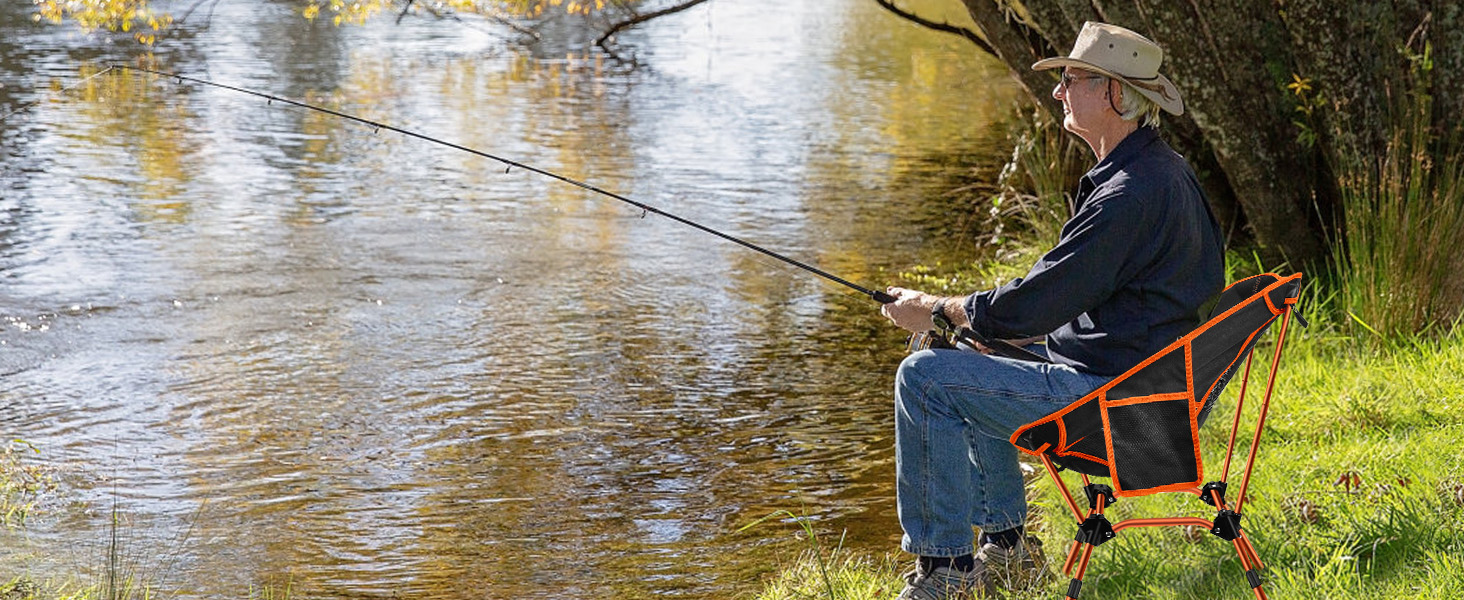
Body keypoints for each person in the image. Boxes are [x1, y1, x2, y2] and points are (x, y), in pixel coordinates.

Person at [879, 22, 1224, 599]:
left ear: (1115, 93)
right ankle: (1010, 550)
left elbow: (1040, 301)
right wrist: (974, 324)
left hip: (1127, 414)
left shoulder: (1129, 194)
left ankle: (945, 574)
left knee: (924, 378)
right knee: (970, 347)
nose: (1059, 91)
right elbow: (1061, 297)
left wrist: (937, 308)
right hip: (1147, 386)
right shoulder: (1160, 172)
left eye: (1072, 78)